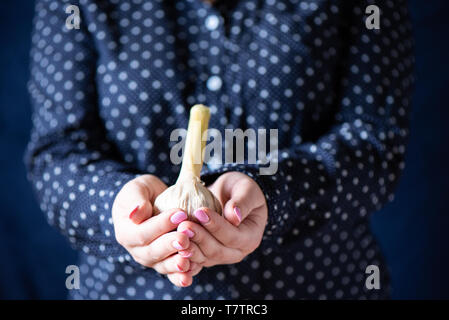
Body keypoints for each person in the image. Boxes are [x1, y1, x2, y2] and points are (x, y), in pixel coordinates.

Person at [25, 0, 414, 299]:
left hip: (318, 284)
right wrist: (116, 206)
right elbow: (59, 151)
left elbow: (375, 144)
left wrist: (272, 192)